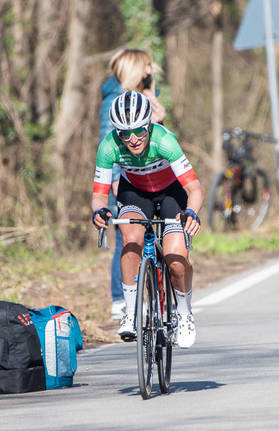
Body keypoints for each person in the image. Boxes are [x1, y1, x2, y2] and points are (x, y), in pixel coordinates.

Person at [92, 90, 203, 348]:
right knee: (131, 238)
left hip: (170, 193)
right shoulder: (108, 146)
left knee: (176, 260)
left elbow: (194, 189)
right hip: (135, 192)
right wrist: (99, 211)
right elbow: (99, 194)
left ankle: (184, 314)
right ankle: (131, 312)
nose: (132, 140)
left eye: (139, 131)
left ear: (149, 126)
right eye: (124, 134)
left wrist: (192, 212)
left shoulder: (165, 141)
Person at [99, 49, 166, 320]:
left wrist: (154, 105)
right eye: (146, 67)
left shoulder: (144, 97)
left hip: (150, 175)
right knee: (127, 239)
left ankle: (156, 292)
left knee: (153, 235)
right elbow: (108, 140)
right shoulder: (114, 101)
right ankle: (120, 299)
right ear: (135, 70)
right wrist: (114, 179)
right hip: (123, 179)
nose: (150, 73)